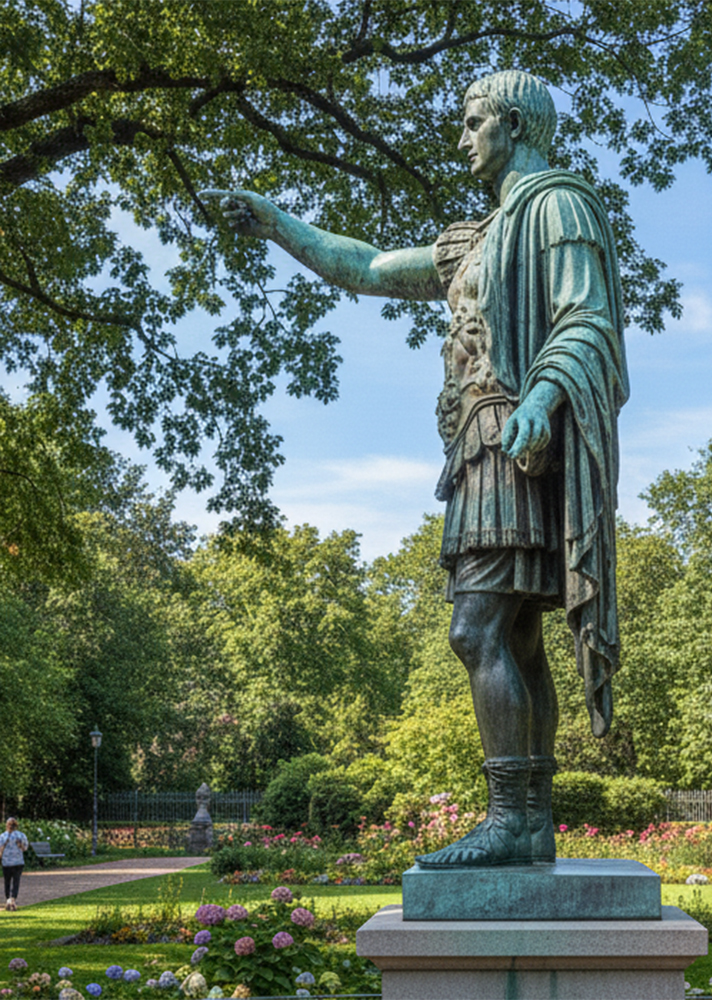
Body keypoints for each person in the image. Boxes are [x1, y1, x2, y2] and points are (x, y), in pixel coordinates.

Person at [203, 69, 628, 868]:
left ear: (515, 125)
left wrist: (542, 395)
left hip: (512, 433)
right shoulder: (470, 240)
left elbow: (588, 318)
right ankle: (532, 823)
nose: (463, 139)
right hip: (479, 442)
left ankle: (511, 820)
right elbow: (363, 267)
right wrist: (276, 224)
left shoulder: (558, 207)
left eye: (473, 123)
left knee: (476, 631)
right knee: (517, 638)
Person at [1, 817, 29, 910]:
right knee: (16, 881)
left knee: (7, 882)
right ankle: (13, 899)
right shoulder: (21, 835)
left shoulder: (2, 836)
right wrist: (19, 845)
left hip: (6, 862)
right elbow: (25, 848)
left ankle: (8, 899)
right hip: (18, 862)